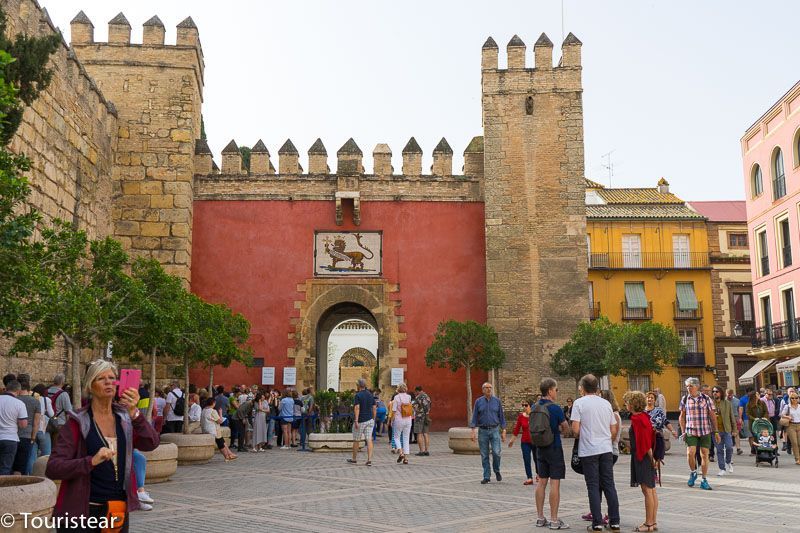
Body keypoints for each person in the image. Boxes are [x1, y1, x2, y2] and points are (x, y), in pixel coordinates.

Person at [46, 360, 159, 532]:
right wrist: (91, 461)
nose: (108, 382)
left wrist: (135, 413)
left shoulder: (125, 419)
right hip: (83, 513)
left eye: (112, 378)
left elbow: (151, 442)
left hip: (116, 510)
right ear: (90, 386)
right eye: (101, 378)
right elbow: (54, 468)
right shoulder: (77, 422)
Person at [571, 374, 620, 532]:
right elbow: (614, 429)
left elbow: (575, 429)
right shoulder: (606, 404)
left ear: (583, 388)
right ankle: (614, 521)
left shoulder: (579, 403)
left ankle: (597, 522)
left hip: (588, 450)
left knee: (593, 486)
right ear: (597, 387)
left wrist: (583, 435)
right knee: (609, 485)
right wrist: (606, 440)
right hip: (605, 449)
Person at [532, 378, 569, 530]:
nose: (557, 392)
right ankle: (554, 520)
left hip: (540, 447)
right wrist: (559, 430)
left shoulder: (534, 406)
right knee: (555, 483)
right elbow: (566, 428)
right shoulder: (555, 408)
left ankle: (540, 517)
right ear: (549, 391)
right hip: (554, 447)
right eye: (556, 389)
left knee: (541, 482)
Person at [623, 391, 658, 533]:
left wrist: (651, 459)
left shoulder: (637, 419)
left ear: (632, 404)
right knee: (652, 490)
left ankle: (648, 524)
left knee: (647, 490)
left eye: (626, 402)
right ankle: (653, 522)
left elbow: (644, 442)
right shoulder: (644, 416)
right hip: (646, 457)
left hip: (642, 457)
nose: (625, 404)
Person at [679, 377, 719, 490]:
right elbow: (681, 416)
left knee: (704, 455)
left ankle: (704, 480)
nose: (688, 388)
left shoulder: (706, 399)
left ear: (697, 386)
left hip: (705, 431)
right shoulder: (685, 399)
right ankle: (693, 472)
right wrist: (683, 432)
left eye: (690, 386)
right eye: (687, 386)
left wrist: (716, 431)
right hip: (691, 430)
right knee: (690, 453)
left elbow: (712, 416)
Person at [470, 382, 506, 484]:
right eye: (486, 388)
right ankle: (486, 476)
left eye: (490, 387)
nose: (489, 389)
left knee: (496, 452)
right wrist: (472, 431)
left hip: (495, 429)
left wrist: (503, 430)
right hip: (483, 430)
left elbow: (501, 416)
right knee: (484, 454)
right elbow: (474, 416)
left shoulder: (497, 401)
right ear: (483, 390)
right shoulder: (478, 402)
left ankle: (497, 470)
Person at [13, 376, 41, 475]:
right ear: (29, 390)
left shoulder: (14, 400)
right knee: (22, 464)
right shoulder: (36, 402)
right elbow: (36, 423)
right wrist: (33, 437)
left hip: (13, 434)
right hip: (27, 435)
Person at [0, 380, 28, 475]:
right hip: (10, 438)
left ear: (6, 389)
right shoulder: (19, 404)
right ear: (18, 391)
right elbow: (23, 425)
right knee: (5, 467)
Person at [348, 378, 377, 466]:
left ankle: (354, 458)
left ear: (358, 386)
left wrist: (356, 420)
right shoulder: (370, 394)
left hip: (361, 420)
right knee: (369, 439)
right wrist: (373, 418)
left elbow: (357, 408)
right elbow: (374, 407)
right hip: (370, 420)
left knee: (356, 440)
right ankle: (369, 459)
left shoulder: (358, 395)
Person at [508, 401, 536, 486]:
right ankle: (529, 478)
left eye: (526, 405)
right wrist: (512, 440)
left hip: (535, 441)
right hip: (525, 442)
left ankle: (539, 474)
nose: (524, 407)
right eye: (523, 405)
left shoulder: (535, 416)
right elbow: (516, 429)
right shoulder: (521, 417)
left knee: (537, 459)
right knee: (526, 459)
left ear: (531, 406)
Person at [711, 386, 736, 476]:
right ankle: (722, 468)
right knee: (719, 450)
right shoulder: (710, 403)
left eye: (716, 391)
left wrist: (735, 429)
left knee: (729, 447)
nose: (715, 393)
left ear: (720, 393)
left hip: (726, 430)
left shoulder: (727, 403)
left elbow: (731, 416)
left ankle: (728, 461)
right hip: (715, 431)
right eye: (713, 391)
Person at [29, 383, 54, 471]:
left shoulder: (31, 398)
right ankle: (45, 475)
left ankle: (31, 475)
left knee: (32, 456)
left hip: (32, 430)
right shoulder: (46, 400)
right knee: (46, 455)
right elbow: (52, 414)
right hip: (43, 429)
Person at [46, 373, 73, 439]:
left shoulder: (46, 392)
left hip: (46, 422)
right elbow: (68, 412)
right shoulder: (64, 394)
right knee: (57, 445)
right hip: (59, 423)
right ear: (62, 382)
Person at [780, 391, 800, 464]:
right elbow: (781, 414)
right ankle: (797, 459)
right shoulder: (787, 406)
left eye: (796, 398)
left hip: (799, 425)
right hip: (791, 426)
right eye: (792, 398)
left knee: (799, 442)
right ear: (790, 399)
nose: (794, 399)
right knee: (794, 443)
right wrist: (787, 416)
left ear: (798, 398)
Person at [413, 385, 431, 456]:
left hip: (419, 417)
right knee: (426, 433)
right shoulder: (427, 397)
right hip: (426, 416)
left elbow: (414, 407)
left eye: (416, 392)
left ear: (417, 391)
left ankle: (421, 451)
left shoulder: (418, 397)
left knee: (419, 433)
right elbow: (429, 406)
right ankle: (426, 450)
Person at [726, 389, 743, 455]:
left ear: (733, 394)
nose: (729, 396)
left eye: (730, 394)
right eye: (728, 394)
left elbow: (740, 410)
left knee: (736, 433)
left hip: (736, 418)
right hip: (727, 419)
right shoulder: (724, 400)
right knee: (728, 434)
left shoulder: (737, 401)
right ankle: (730, 448)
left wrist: (740, 418)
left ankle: (738, 448)